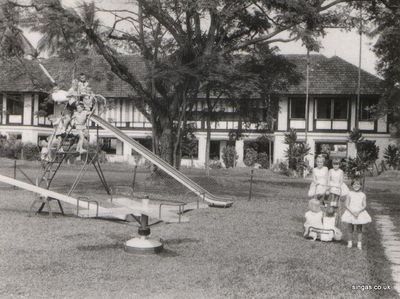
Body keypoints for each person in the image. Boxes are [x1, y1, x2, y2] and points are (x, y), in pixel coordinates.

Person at [341, 180, 372, 250]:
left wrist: (358, 212)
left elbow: (364, 205)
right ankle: (350, 243)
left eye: (358, 184)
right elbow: (346, 204)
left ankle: (359, 244)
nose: (356, 186)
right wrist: (352, 212)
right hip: (350, 211)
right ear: (352, 186)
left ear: (361, 186)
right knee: (350, 228)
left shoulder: (363, 194)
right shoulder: (349, 193)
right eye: (354, 184)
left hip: (359, 212)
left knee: (359, 229)